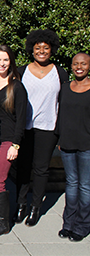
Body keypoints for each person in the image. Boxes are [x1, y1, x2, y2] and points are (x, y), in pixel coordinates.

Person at [15, 29, 68, 226]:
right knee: (23, 167)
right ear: (32, 49)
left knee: (41, 169)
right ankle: (21, 204)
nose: (42, 51)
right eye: (38, 48)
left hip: (48, 128)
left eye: (46, 48)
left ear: (52, 49)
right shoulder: (21, 71)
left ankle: (35, 207)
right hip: (26, 128)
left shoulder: (59, 72)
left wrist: (62, 132)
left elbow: (64, 103)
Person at [0, 45, 27, 237]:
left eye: (5, 60)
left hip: (7, 141)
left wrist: (15, 145)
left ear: (11, 62)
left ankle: (4, 223)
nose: (1, 63)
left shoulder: (16, 86)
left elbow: (22, 119)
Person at [56, 52, 90, 242]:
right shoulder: (65, 88)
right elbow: (60, 114)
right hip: (67, 143)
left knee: (85, 187)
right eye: (76, 63)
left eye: (83, 64)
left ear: (88, 66)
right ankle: (68, 224)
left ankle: (83, 225)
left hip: (87, 145)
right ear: (71, 65)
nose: (79, 67)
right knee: (71, 184)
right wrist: (60, 138)